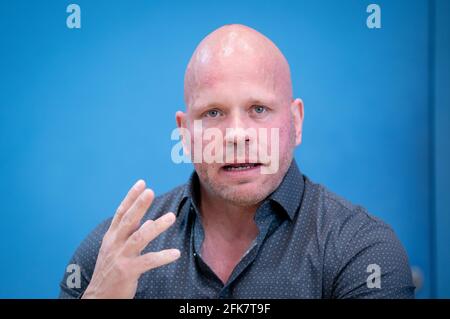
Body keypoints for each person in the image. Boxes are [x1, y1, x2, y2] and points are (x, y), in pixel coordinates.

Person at [59, 24, 415, 299]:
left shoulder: (362, 251)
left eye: (258, 109)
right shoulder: (112, 255)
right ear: (184, 133)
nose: (236, 134)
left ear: (296, 122)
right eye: (213, 112)